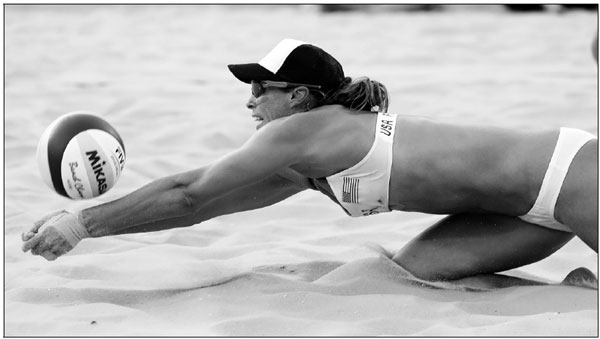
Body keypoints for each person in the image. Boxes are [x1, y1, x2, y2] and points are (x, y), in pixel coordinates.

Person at [22, 38, 597, 282]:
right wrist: (89, 231)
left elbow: (189, 187)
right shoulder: (301, 168)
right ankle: (572, 295)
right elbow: (197, 212)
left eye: (260, 88)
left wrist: (81, 223)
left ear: (298, 97)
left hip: (571, 174)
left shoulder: (304, 132)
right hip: (526, 216)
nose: (250, 100)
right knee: (409, 274)